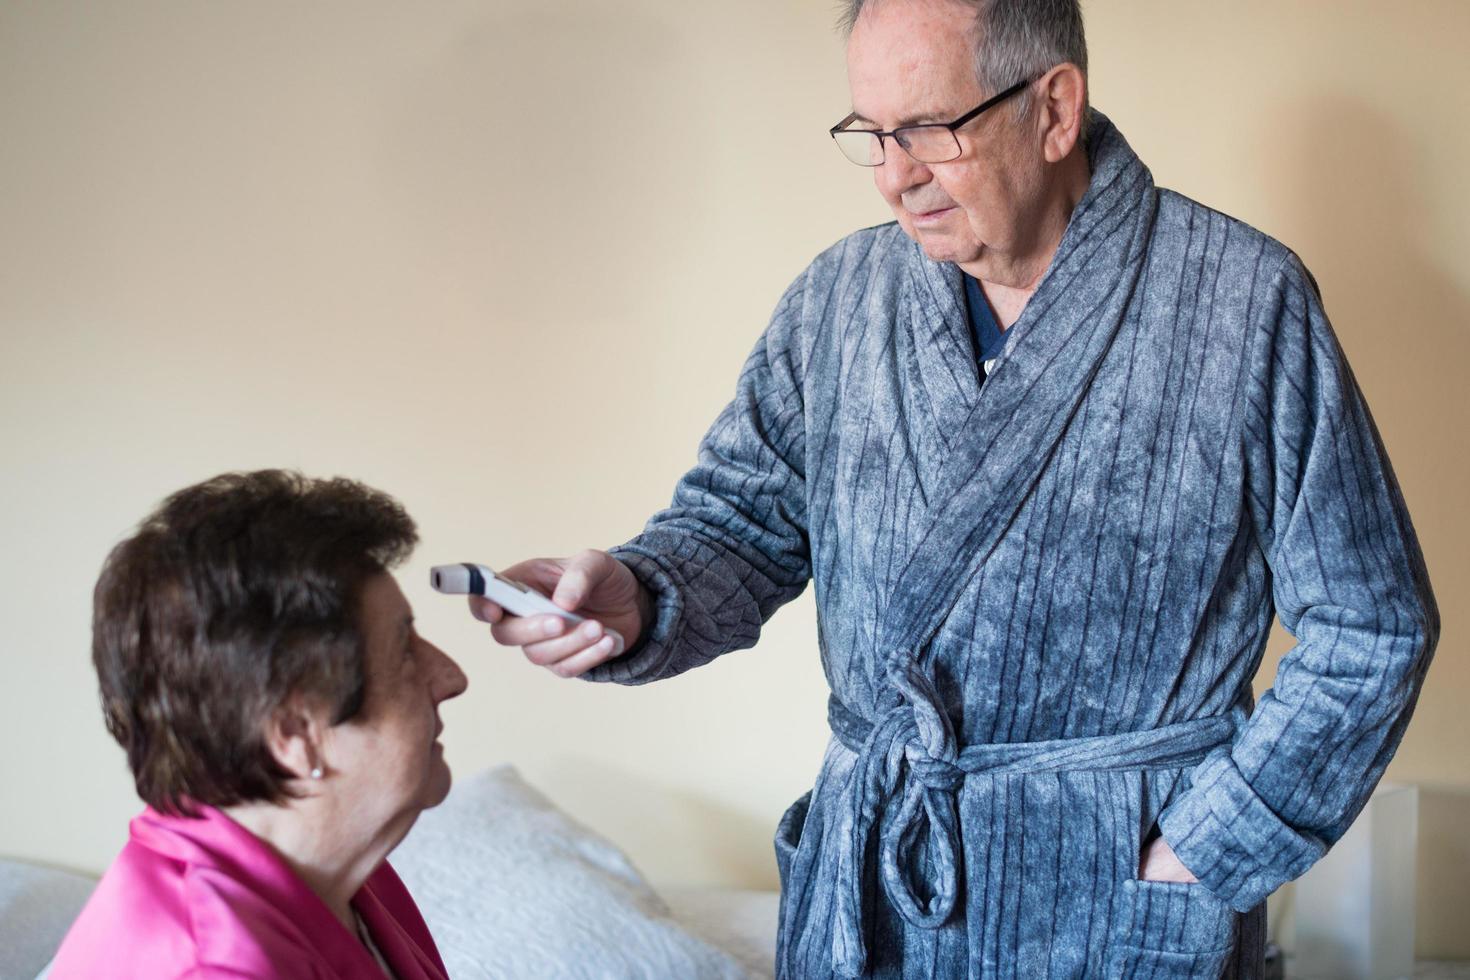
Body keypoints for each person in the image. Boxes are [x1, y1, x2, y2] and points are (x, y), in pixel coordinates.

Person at [467, 1, 1438, 977]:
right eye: (873, 134)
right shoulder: (839, 302)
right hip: (875, 886)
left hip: (1120, 902)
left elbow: (1373, 624)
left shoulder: (1241, 300)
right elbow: (741, 522)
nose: (897, 174)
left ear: (1054, 108)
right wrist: (638, 592)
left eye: (931, 127)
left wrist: (1207, 849)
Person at [51, 470, 468, 979]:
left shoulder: (339, 869)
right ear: (294, 734)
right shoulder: (215, 966)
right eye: (404, 649)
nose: (451, 676)